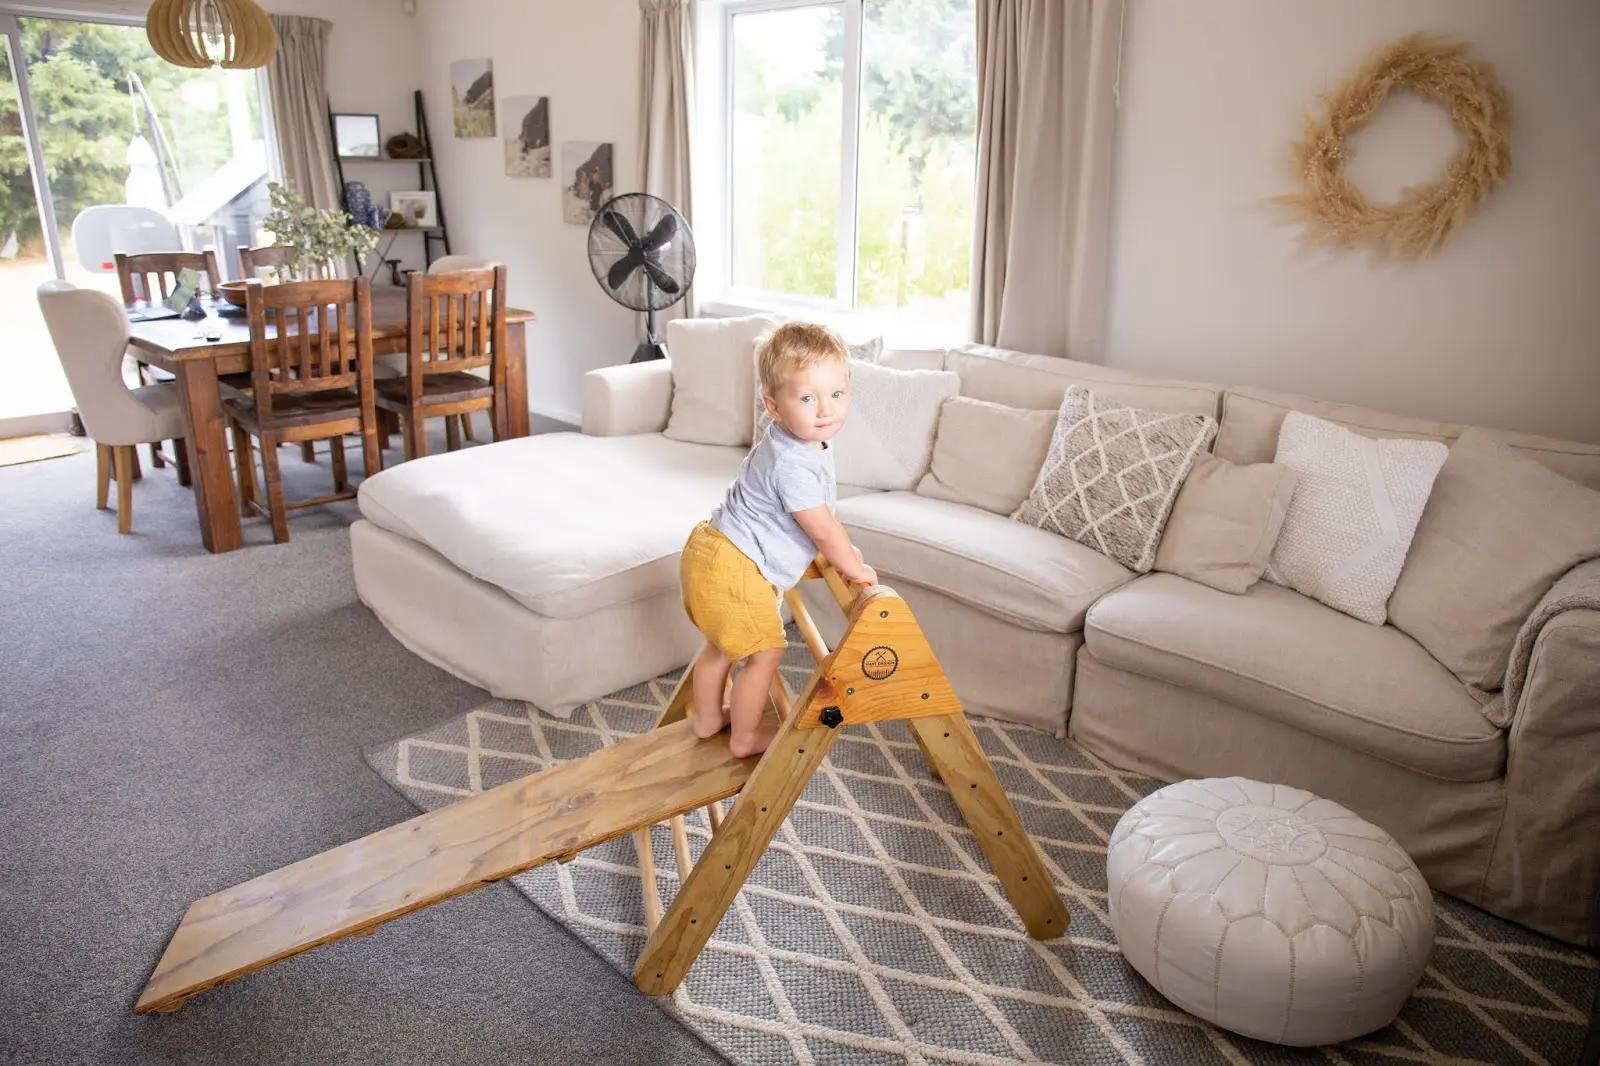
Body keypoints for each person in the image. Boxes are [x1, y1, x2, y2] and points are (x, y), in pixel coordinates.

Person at [678, 322, 877, 757]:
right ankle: (745, 739)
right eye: (808, 398)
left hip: (712, 549)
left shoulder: (801, 440)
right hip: (733, 565)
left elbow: (813, 513)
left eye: (836, 394)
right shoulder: (792, 462)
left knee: (720, 646)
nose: (826, 409)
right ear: (773, 405)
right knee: (765, 652)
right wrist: (852, 566)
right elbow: (819, 525)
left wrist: (846, 552)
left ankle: (708, 719)